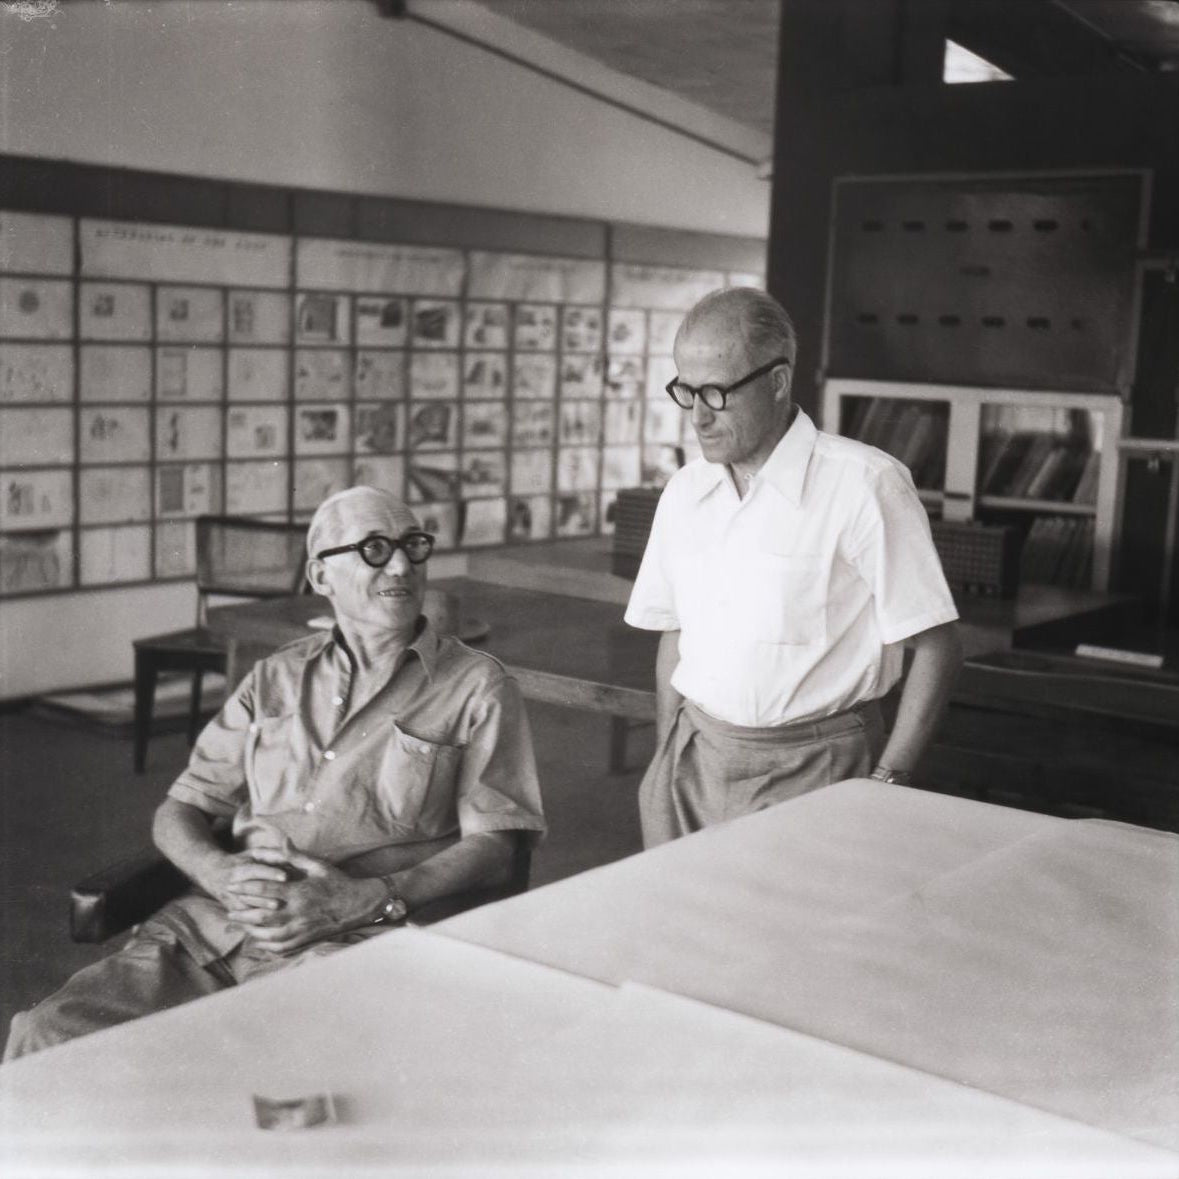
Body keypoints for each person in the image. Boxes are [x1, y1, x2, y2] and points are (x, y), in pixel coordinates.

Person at [6, 486, 545, 1058]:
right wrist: (217, 873)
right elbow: (182, 809)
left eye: (414, 545)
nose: (403, 564)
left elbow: (497, 847)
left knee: (274, 1073)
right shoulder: (275, 678)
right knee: (46, 1037)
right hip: (209, 927)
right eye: (374, 548)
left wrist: (368, 899)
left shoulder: (477, 686)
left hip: (352, 939)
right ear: (320, 576)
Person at [625, 288, 962, 846]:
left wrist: (888, 780)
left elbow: (937, 645)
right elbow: (675, 633)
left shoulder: (864, 484)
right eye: (686, 391)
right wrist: (665, 758)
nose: (698, 416)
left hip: (819, 767)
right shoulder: (685, 493)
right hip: (691, 765)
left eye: (716, 391)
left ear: (778, 382)